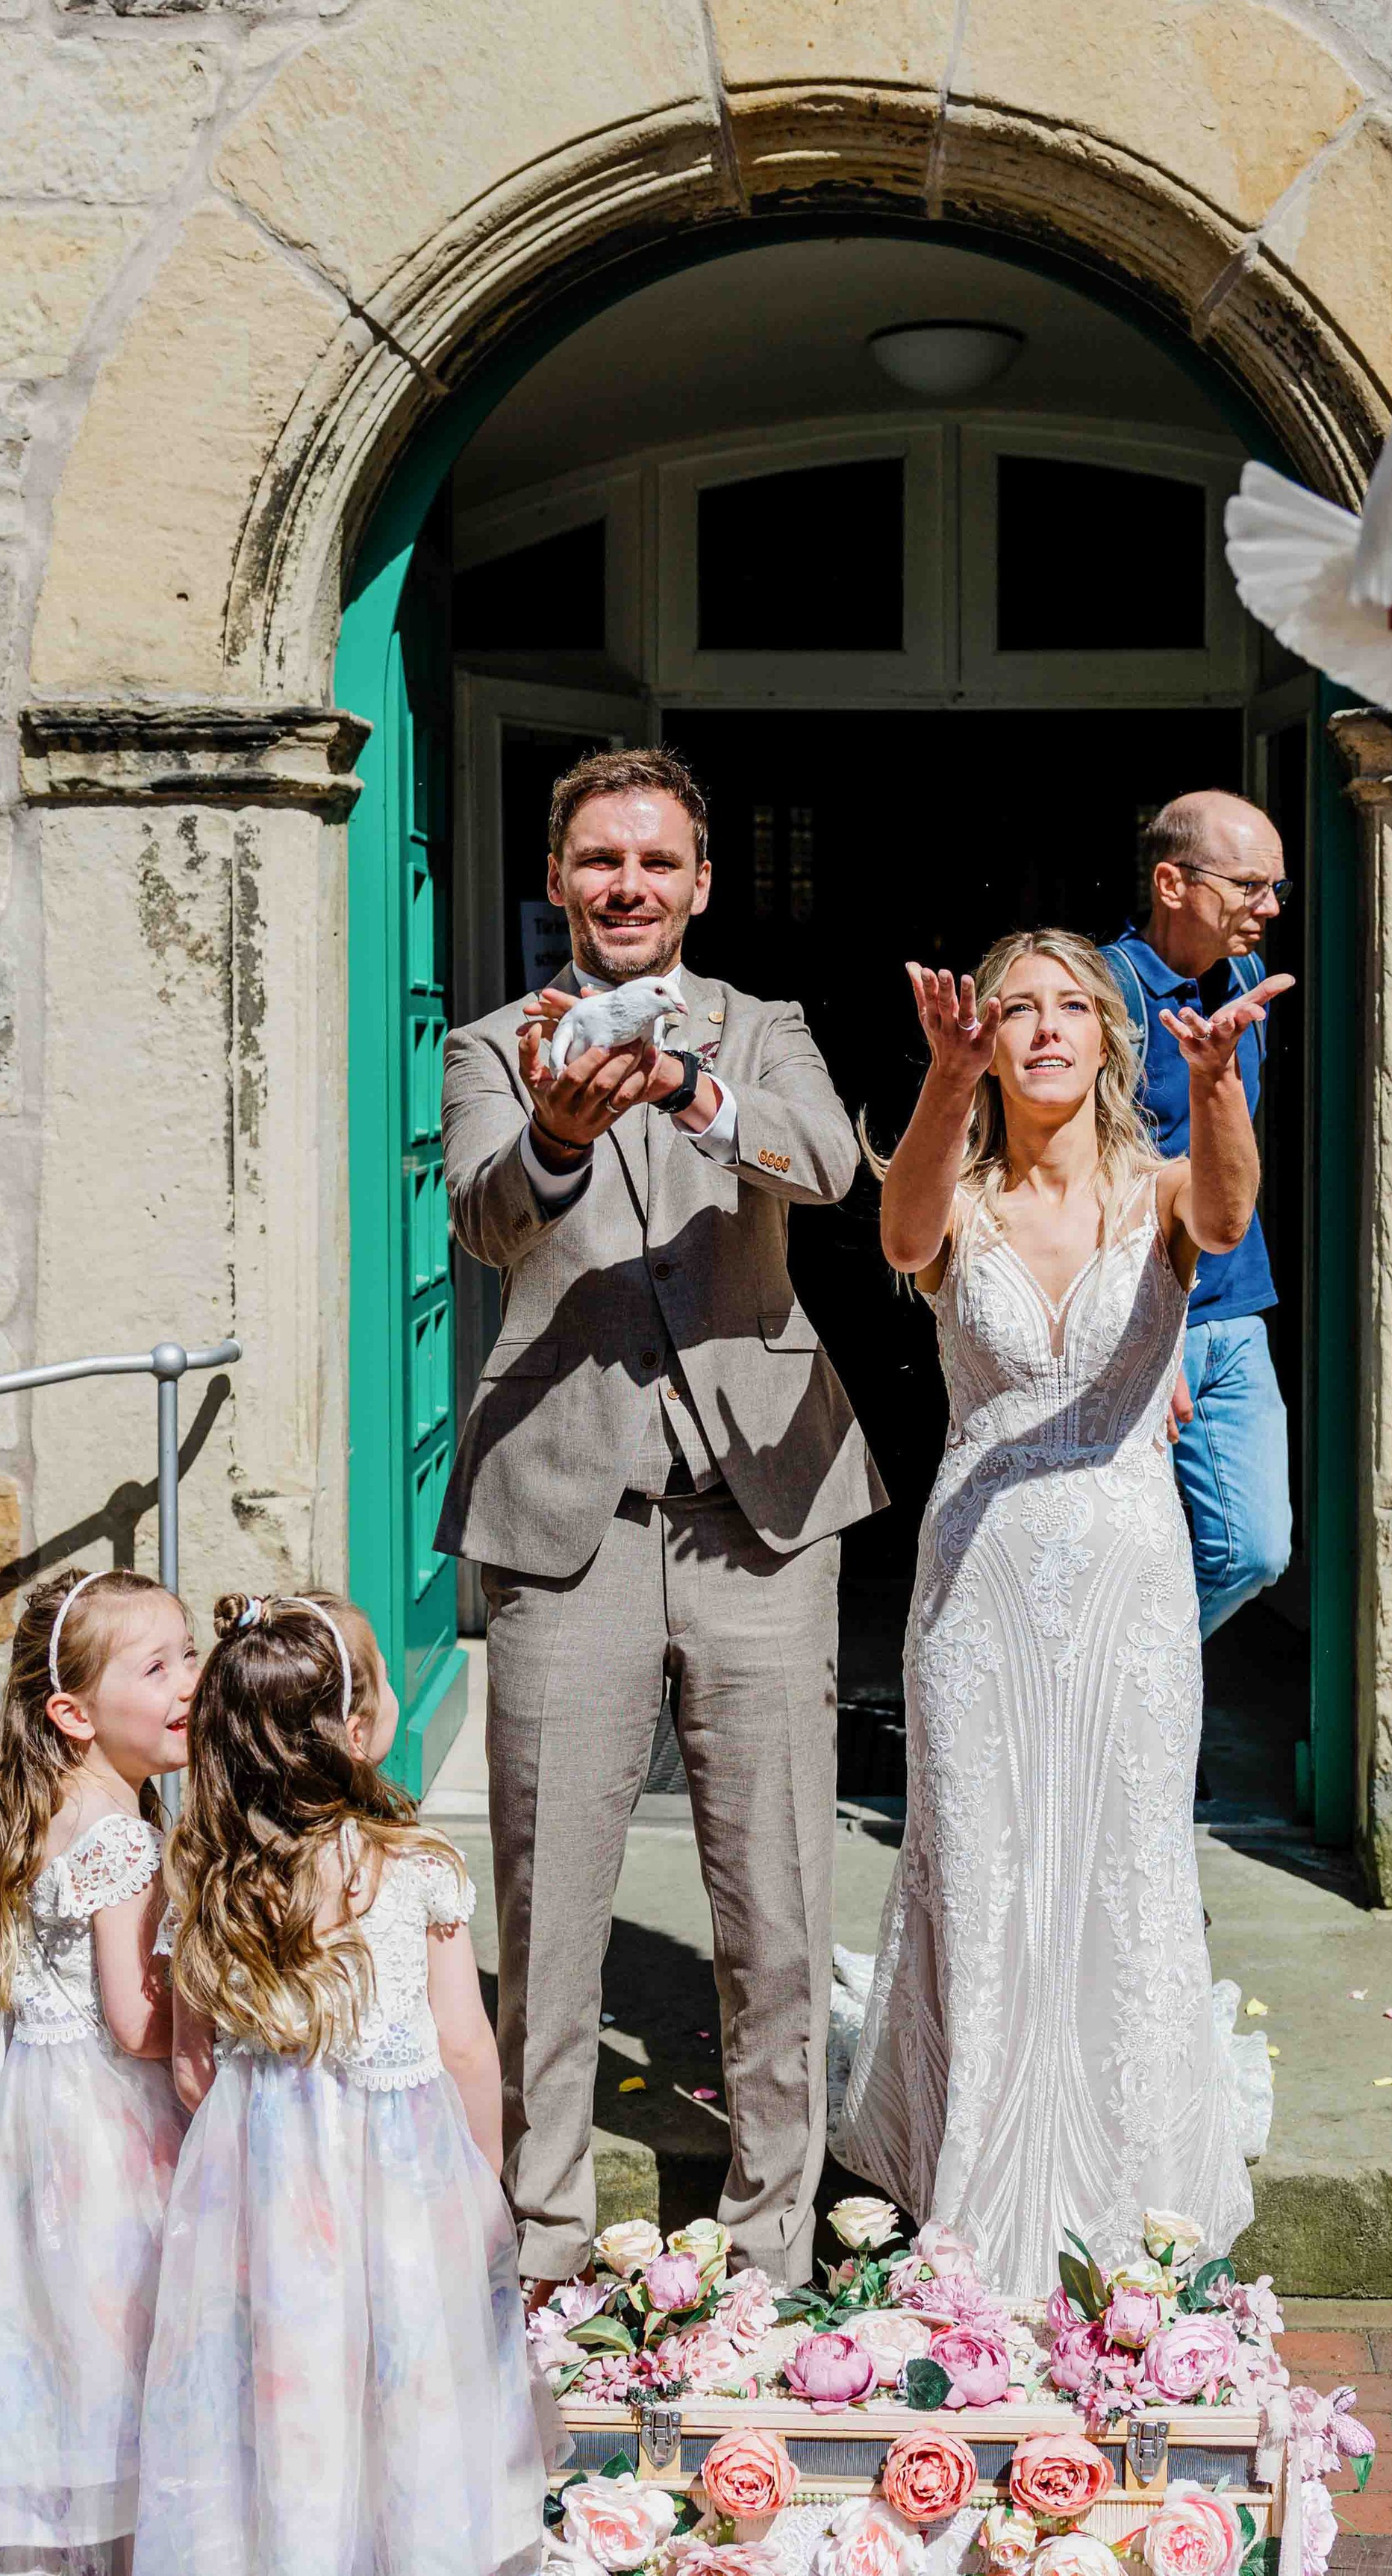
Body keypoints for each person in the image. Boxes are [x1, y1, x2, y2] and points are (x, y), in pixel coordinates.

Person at [437, 745, 884, 2295]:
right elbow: (484, 1215)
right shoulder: (499, 1043)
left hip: (761, 1504)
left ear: (698, 885)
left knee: (772, 1890)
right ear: (556, 880)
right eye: (597, 862)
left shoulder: (765, 1031)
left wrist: (694, 1089)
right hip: (570, 1513)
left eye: (654, 863)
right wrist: (558, 1132)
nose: (625, 886)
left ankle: (771, 2244)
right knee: (548, 1895)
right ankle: (543, 2240)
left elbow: (833, 1171)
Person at [833, 931, 1283, 2291]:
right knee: (983, 1860)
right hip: (977, 1576)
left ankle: (1126, 2164)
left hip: (1127, 1578)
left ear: (1106, 1036)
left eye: (1067, 1008)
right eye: (1013, 1008)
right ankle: (974, 2162)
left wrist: (1217, 1089)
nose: (1040, 1028)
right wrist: (939, 1081)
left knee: (1119, 1856)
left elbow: (1227, 1220)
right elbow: (901, 1232)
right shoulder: (957, 1195)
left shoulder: (1156, 1191)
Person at [138, 1589, 555, 2576]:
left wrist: (263, 2130)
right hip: (404, 2193)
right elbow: (463, 2048)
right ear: (357, 1730)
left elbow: (192, 2066)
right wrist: (479, 2187)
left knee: (281, 2383)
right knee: (408, 2375)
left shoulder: (204, 1876)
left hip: (267, 2200)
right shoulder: (416, 1868)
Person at [0, 1566, 198, 2576]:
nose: (190, 1683)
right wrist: (227, 2029)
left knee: (55, 2329)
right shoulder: (122, 1836)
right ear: (74, 1714)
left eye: (190, 1654)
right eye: (157, 1666)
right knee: (124, 2330)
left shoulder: (56, 1805)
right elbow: (133, 2022)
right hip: (105, 2132)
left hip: (26, 2112)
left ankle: (60, 2516)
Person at [1105, 790, 1293, 1642]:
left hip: (1238, 1311)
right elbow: (1084, 1169)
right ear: (1171, 884)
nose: (1270, 908)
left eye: (1277, 887)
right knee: (1111, 1545)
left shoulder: (1247, 980)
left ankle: (1134, 1690)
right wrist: (1148, 1333)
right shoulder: (1102, 995)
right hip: (1139, 1315)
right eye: (1250, 886)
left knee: (1255, 1551)